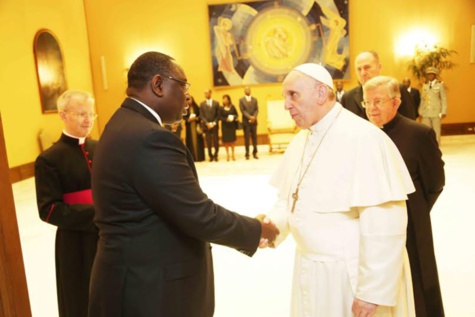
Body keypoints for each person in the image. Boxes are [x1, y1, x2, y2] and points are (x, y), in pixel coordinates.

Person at [88, 51, 279, 317]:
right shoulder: (151, 139)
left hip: (129, 277)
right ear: (158, 84)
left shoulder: (121, 123)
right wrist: (257, 229)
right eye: (183, 85)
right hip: (151, 290)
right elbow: (198, 215)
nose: (188, 96)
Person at [265, 63, 416, 316]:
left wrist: (372, 292)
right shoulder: (302, 139)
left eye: (293, 95)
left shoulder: (363, 138)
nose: (286, 105)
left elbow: (385, 222)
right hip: (310, 268)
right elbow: (289, 198)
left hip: (350, 275)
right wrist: (271, 226)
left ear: (321, 94)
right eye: (285, 97)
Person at [363, 76, 445, 317]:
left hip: (411, 221)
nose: (371, 108)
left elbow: (435, 182)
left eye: (378, 101)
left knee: (419, 279)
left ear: (396, 103)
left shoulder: (419, 134)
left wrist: (417, 209)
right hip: (374, 225)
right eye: (367, 102)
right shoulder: (363, 136)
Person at [34, 90, 98, 317]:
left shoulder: (101, 149)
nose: (88, 119)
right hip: (76, 242)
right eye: (81, 114)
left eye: (91, 114)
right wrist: (97, 214)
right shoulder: (49, 159)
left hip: (110, 235)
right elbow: (48, 209)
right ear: (63, 115)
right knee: (80, 299)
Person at [341, 51, 416, 120]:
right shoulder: (347, 97)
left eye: (367, 67)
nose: (363, 73)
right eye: (359, 69)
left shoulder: (397, 89)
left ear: (379, 67)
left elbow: (410, 123)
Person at [419, 67, 447, 144]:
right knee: (425, 129)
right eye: (428, 75)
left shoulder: (440, 85)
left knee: (436, 130)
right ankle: (427, 145)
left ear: (435, 75)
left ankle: (436, 145)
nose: (430, 76)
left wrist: (443, 111)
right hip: (426, 112)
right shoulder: (425, 85)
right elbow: (422, 99)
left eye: (432, 74)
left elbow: (443, 99)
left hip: (436, 111)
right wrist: (420, 112)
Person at [200, 89, 220, 161]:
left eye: (207, 93)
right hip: (206, 126)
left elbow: (218, 115)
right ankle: (210, 155)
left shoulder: (216, 103)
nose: (206, 94)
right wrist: (207, 123)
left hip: (214, 125)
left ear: (210, 93)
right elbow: (201, 115)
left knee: (216, 141)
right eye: (205, 93)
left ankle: (216, 155)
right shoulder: (202, 104)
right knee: (208, 142)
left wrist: (214, 123)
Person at [183, 95, 205, 162]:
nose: (190, 101)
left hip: (196, 127)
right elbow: (184, 117)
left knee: (198, 141)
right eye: (188, 99)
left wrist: (196, 118)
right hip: (189, 127)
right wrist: (188, 119)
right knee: (190, 141)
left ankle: (199, 157)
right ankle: (193, 158)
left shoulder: (197, 107)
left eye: (191, 99)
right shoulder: (185, 108)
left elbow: (201, 116)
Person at [239, 86, 259, 159]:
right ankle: (247, 153)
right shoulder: (241, 100)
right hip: (246, 123)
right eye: (246, 89)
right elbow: (242, 110)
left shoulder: (255, 99)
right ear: (244, 91)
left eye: (248, 89)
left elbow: (257, 110)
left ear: (250, 90)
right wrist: (249, 117)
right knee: (247, 139)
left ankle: (255, 152)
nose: (247, 90)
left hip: (254, 122)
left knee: (254, 138)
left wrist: (254, 116)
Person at [220, 94, 239, 161]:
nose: (224, 100)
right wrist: (226, 119)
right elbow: (220, 117)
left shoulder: (233, 107)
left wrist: (233, 117)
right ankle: (227, 154)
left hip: (232, 126)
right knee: (226, 141)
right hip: (225, 126)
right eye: (223, 99)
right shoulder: (221, 108)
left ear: (228, 100)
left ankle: (233, 154)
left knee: (232, 141)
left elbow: (237, 115)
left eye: (225, 99)